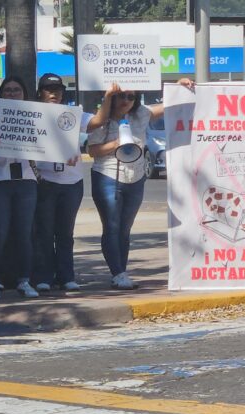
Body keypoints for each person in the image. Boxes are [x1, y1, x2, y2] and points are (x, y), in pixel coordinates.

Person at [88, 78, 194, 289]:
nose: (126, 100)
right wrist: (116, 144)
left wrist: (179, 86)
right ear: (112, 97)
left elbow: (166, 106)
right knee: (111, 226)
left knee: (125, 229)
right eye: (121, 96)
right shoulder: (102, 120)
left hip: (135, 178)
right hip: (107, 176)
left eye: (131, 96)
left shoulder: (141, 114)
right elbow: (92, 151)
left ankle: (121, 272)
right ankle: (118, 274)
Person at [31, 74, 105, 292]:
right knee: (43, 231)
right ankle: (44, 276)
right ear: (40, 92)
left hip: (72, 181)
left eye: (58, 89)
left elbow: (97, 122)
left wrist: (108, 97)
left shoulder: (74, 114)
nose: (54, 93)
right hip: (44, 179)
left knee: (65, 232)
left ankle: (66, 275)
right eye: (48, 89)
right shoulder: (32, 115)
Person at [0, 76, 39, 299]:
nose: (12, 94)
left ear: (24, 94)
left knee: (24, 233)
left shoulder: (35, 118)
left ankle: (24, 280)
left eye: (17, 90)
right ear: (1, 94)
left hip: (25, 181)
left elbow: (49, 144)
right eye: (8, 90)